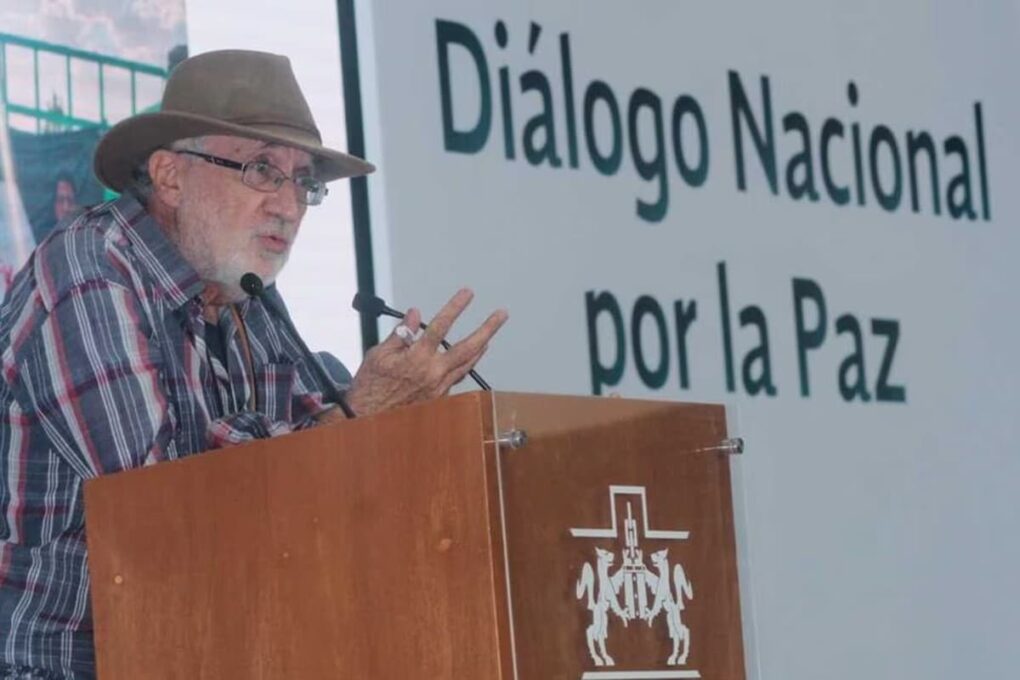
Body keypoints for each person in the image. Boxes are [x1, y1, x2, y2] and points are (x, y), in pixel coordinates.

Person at [0, 49, 507, 679]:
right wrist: (361, 414)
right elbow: (161, 507)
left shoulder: (250, 300)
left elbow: (312, 469)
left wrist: (398, 428)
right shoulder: (86, 274)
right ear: (170, 176)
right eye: (262, 170)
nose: (289, 206)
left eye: (303, 182)